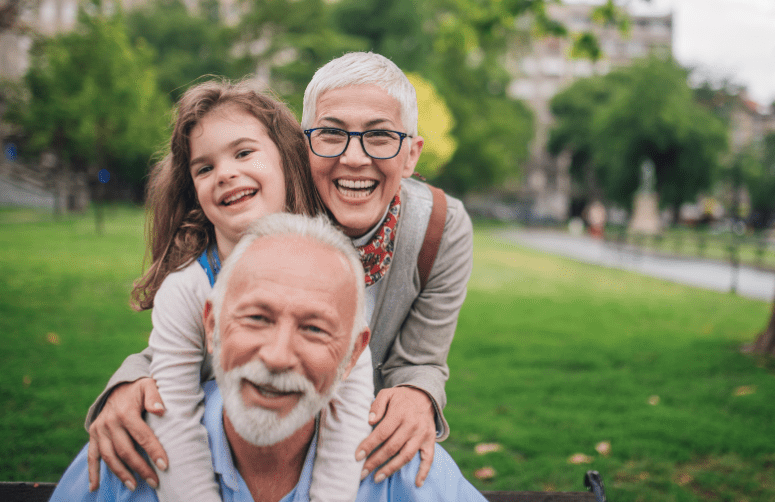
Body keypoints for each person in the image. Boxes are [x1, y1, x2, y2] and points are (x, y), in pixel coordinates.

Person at [87, 52, 474, 489]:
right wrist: (129, 381)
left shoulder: (440, 229)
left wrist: (418, 394)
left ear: (410, 154)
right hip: (247, 440)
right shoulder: (274, 221)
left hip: (359, 450)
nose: (353, 158)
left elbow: (421, 358)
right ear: (304, 146)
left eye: (380, 136)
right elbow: (197, 334)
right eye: (331, 134)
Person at [51, 214, 487, 502]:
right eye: (257, 318)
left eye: (314, 329)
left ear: (353, 354)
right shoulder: (127, 449)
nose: (278, 357)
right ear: (211, 325)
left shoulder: (402, 465)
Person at [87, 80, 375, 502]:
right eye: (205, 168)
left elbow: (348, 412)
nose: (225, 173)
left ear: (286, 160)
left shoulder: (331, 275)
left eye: (243, 153)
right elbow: (173, 416)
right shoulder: (187, 289)